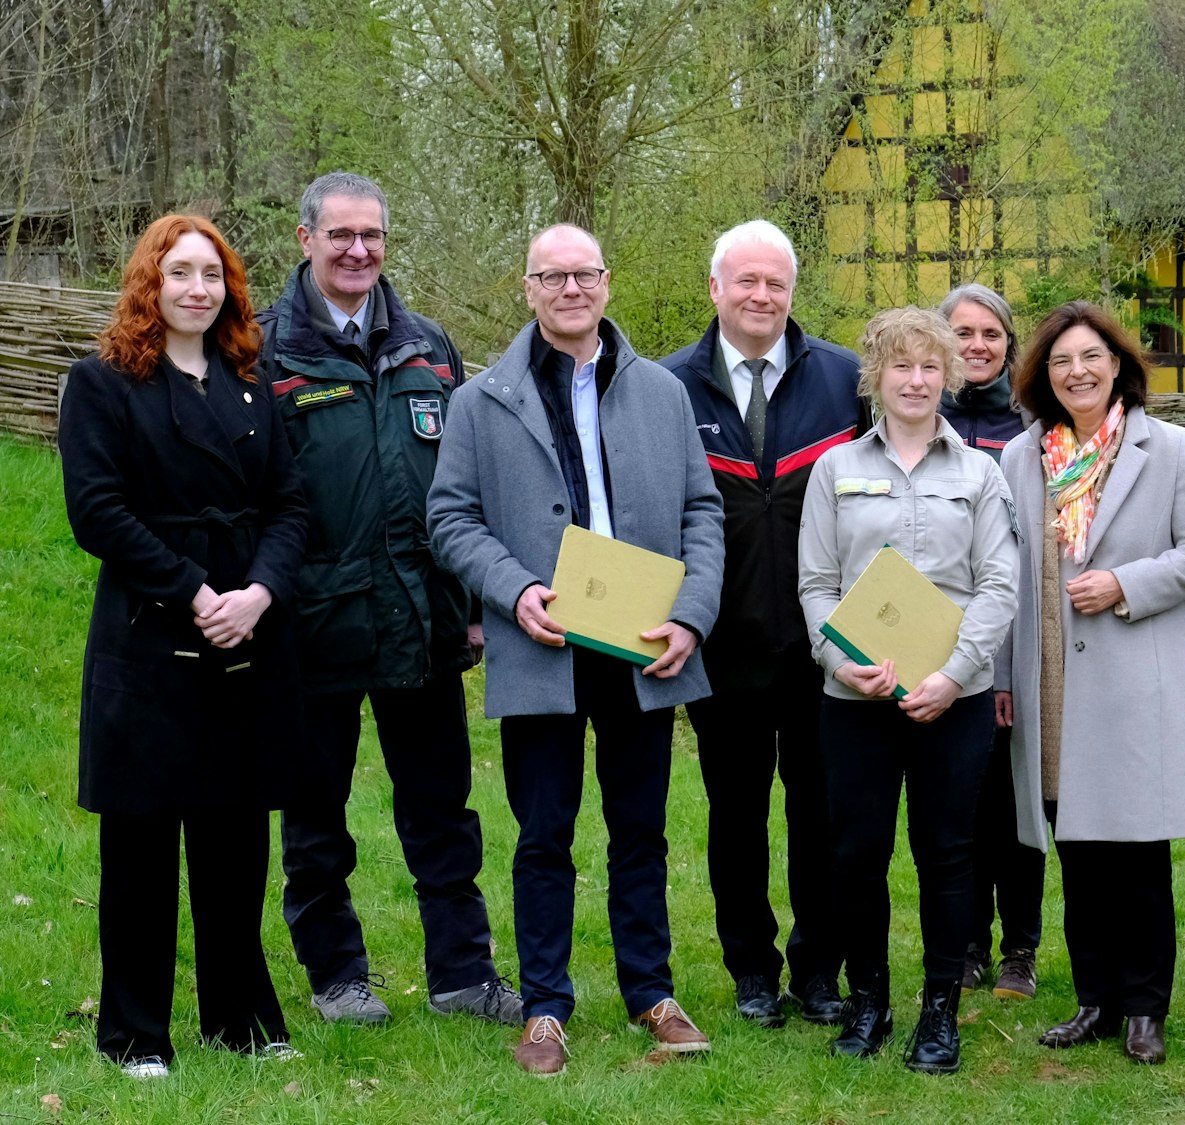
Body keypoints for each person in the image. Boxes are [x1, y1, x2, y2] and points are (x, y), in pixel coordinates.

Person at [428, 223, 726, 1075]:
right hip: (543, 644)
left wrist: (691, 614)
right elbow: (449, 518)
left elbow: (702, 514)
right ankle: (547, 1006)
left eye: (583, 274)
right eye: (551, 276)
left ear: (605, 283)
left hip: (642, 646)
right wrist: (514, 588)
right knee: (543, 833)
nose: (569, 289)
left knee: (641, 830)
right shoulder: (481, 401)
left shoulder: (664, 394)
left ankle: (651, 991)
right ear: (527, 288)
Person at [260, 171, 519, 1027]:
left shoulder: (428, 346)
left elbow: (466, 487)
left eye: (371, 235)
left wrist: (477, 605)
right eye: (340, 236)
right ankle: (337, 975)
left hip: (422, 621)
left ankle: (461, 974)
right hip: (312, 625)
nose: (359, 250)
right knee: (316, 821)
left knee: (442, 811)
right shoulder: (264, 351)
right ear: (306, 240)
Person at [59, 214, 310, 1077]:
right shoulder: (101, 384)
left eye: (214, 275)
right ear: (150, 284)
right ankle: (133, 1031)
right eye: (181, 274)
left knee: (237, 835)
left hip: (248, 632)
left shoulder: (252, 376)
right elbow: (96, 511)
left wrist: (259, 592)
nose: (198, 289)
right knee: (141, 841)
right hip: (150, 635)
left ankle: (239, 1016)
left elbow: (292, 504)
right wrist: (195, 590)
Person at [1001, 301, 1185, 1065]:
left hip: (1134, 678)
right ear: (1043, 375)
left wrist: (1125, 583)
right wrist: (1005, 675)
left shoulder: (1167, 448)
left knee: (1135, 853)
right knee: (1077, 849)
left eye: (1091, 357)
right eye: (1062, 360)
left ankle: (1145, 1008)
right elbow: (1006, 576)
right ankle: (1094, 999)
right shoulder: (1021, 458)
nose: (1078, 371)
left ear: (1118, 364)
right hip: (1054, 679)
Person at [797, 306, 1016, 1075]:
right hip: (856, 701)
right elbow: (817, 586)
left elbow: (998, 584)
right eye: (901, 366)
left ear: (948, 376)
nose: (916, 380)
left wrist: (953, 672)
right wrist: (838, 659)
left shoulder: (980, 474)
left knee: (947, 854)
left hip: (953, 702)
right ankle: (870, 1001)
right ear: (876, 377)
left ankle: (938, 1013)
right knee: (856, 854)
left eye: (930, 366)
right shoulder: (834, 469)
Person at [660, 220, 866, 1029]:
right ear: (715, 288)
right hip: (724, 644)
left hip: (825, 646)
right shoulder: (667, 385)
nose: (761, 296)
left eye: (775, 283)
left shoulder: (845, 380)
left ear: (792, 291)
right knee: (736, 817)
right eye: (745, 281)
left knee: (823, 815)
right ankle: (751, 967)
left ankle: (820, 968)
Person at [938, 283, 1044, 1000]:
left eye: (992, 334)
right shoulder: (919, 418)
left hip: (1021, 646)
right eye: (963, 333)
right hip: (941, 648)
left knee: (1016, 804)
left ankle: (1021, 947)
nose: (977, 346)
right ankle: (968, 943)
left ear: (1011, 342)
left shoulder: (1034, 427)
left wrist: (1008, 664)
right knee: (959, 804)